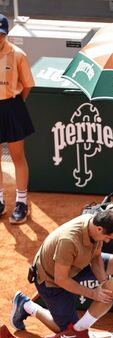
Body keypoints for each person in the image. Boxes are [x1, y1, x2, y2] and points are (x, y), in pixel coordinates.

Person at [8, 211, 113, 338]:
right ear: (99, 229)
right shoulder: (68, 241)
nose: (108, 240)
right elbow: (61, 279)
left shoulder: (95, 226)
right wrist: (93, 293)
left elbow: (96, 257)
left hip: (78, 265)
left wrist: (103, 283)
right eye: (108, 237)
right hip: (51, 280)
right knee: (70, 332)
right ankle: (27, 305)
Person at [0, 14, 35, 224]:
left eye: (1, 34)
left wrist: (13, 106)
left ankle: (21, 202)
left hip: (12, 106)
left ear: (6, 34)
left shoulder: (18, 55)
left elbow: (27, 85)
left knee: (17, 157)